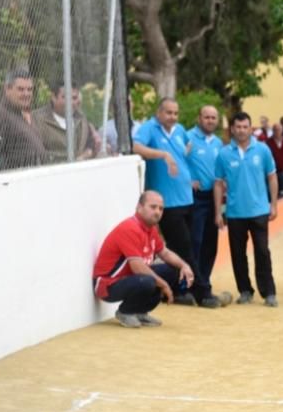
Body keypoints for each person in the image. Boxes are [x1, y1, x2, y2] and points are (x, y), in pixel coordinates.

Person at [92, 191, 195, 328]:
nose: (158, 212)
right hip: (107, 285)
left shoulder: (150, 229)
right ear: (139, 207)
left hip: (130, 278)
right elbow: (138, 267)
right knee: (148, 280)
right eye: (153, 207)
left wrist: (184, 266)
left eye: (160, 208)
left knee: (172, 271)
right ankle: (125, 312)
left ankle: (140, 312)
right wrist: (164, 285)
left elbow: (164, 252)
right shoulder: (130, 228)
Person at [132, 97, 197, 305]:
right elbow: (136, 147)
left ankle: (185, 289)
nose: (173, 117)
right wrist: (162, 155)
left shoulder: (179, 130)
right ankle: (185, 291)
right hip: (166, 201)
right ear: (159, 112)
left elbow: (188, 146)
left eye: (176, 113)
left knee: (190, 245)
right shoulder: (149, 128)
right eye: (168, 113)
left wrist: (186, 173)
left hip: (186, 196)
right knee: (181, 246)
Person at [213, 112, 279, 306]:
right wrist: (218, 212)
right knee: (237, 254)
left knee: (262, 251)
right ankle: (245, 291)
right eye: (238, 127)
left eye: (245, 127)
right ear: (232, 129)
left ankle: (269, 293)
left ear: (251, 128)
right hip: (235, 213)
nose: (241, 130)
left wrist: (273, 204)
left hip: (259, 211)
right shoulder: (224, 154)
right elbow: (218, 183)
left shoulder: (263, 150)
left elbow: (272, 177)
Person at [185, 104, 227, 308]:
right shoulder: (187, 137)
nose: (210, 120)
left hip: (215, 198)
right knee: (195, 243)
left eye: (213, 117)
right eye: (206, 117)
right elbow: (177, 160)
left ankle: (204, 283)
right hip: (195, 198)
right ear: (199, 118)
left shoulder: (218, 143)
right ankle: (195, 289)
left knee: (211, 245)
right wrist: (188, 179)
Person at [0, 67, 46, 170]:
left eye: (29, 89)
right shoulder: (0, 114)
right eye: (21, 89)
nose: (26, 94)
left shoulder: (21, 114)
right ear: (7, 89)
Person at [32, 81, 98, 163]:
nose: (71, 102)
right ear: (53, 97)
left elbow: (91, 145)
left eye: (74, 98)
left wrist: (85, 155)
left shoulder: (81, 119)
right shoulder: (36, 119)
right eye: (65, 97)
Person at [266, 122, 283, 194]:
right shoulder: (268, 142)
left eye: (279, 129)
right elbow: (266, 158)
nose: (277, 131)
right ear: (273, 131)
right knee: (272, 193)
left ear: (282, 130)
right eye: (275, 130)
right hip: (272, 173)